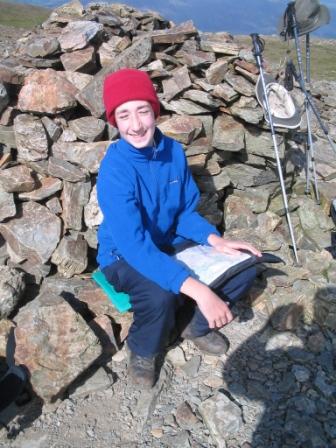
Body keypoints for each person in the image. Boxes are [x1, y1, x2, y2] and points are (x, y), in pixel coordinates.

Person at [97, 68, 261, 387]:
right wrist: (199, 290)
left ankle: (194, 326)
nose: (136, 124)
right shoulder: (115, 170)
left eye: (143, 110)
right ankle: (143, 349)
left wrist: (216, 240)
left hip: (170, 241)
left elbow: (184, 213)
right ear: (114, 120)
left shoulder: (173, 152)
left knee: (245, 263)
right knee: (160, 295)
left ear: (154, 112)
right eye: (124, 114)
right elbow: (135, 246)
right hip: (123, 255)